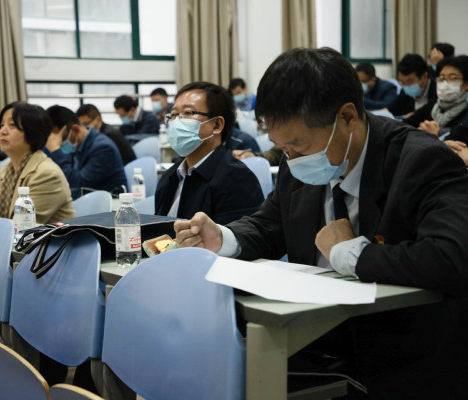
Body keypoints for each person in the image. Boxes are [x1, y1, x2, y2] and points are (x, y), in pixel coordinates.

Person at [174, 48, 468, 398]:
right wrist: (223, 238)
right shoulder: (298, 162)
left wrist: (351, 254)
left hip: (401, 357)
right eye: (282, 148)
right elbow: (268, 225)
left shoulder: (421, 160)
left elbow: (451, 257)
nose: (291, 159)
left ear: (347, 117)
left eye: (298, 146)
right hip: (312, 340)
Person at [155, 81, 264, 224]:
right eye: (174, 114)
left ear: (217, 125)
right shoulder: (169, 176)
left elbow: (238, 236)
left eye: (188, 112)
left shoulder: (237, 179)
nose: (177, 121)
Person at [0, 102, 75, 223]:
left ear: (33, 132)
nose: (2, 131)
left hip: (44, 236)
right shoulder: (8, 170)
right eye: (2, 125)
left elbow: (23, 226)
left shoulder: (47, 174)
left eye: (12, 125)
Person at [45, 105, 127, 199]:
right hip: (88, 199)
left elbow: (79, 185)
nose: (58, 143)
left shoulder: (103, 148)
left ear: (75, 129)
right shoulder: (76, 145)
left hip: (110, 203)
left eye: (62, 139)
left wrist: (56, 151)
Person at [405, 55, 468, 137]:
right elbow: (405, 125)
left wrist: (438, 133)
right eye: (442, 78)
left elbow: (461, 137)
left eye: (453, 78)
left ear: (466, 84)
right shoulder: (433, 105)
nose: (445, 84)